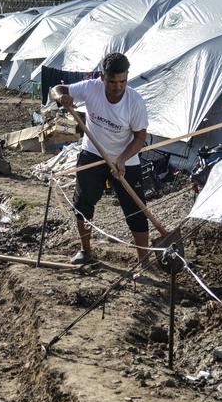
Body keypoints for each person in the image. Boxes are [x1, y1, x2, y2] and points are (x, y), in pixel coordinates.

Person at [50, 52, 150, 266]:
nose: (118, 87)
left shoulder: (135, 102)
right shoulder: (90, 88)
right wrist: (61, 97)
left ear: (127, 77)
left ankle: (144, 261)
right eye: (112, 82)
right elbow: (56, 89)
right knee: (83, 203)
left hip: (126, 160)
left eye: (122, 81)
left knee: (136, 210)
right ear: (102, 78)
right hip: (93, 153)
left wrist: (122, 160)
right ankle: (86, 251)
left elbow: (141, 137)